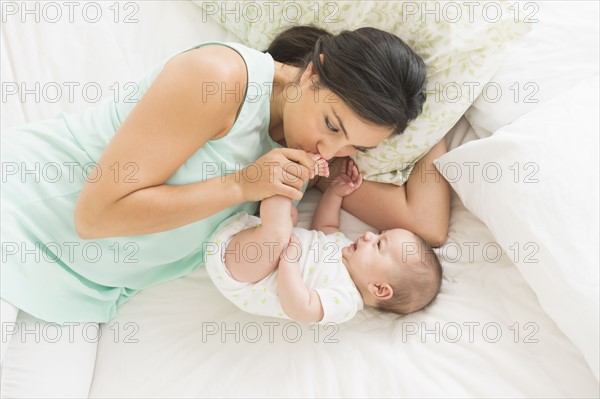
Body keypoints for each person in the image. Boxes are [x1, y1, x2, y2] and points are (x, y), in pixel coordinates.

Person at [0, 25, 449, 396]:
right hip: (17, 217)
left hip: (79, 296)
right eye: (333, 126)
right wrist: (241, 184)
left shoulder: (307, 149)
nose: (331, 149)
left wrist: (445, 112)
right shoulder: (218, 79)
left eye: (355, 145)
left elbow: (425, 226)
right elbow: (96, 216)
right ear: (314, 71)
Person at [205, 159, 442, 323]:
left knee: (279, 228)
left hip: (243, 273)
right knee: (290, 218)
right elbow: (325, 227)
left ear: (379, 288)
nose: (369, 235)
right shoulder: (345, 251)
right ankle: (284, 179)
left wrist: (289, 262)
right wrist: (335, 193)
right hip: (252, 240)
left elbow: (300, 307)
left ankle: (284, 173)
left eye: (379, 244)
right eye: (380, 233)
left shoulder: (345, 300)